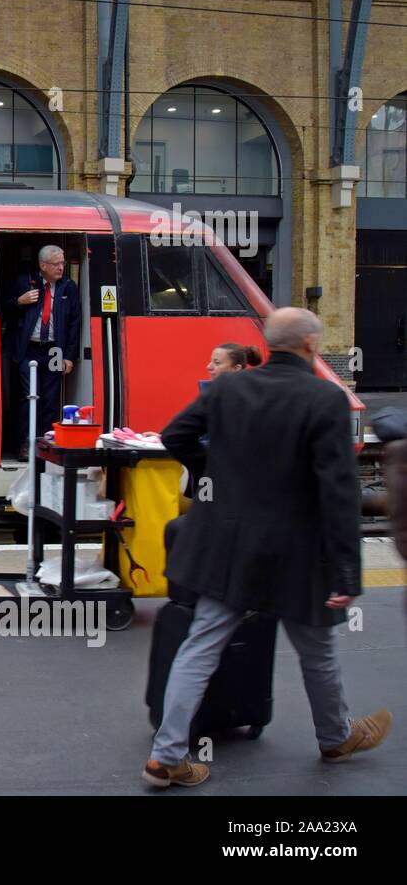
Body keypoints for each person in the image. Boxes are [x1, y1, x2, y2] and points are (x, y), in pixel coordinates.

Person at [143, 307, 391, 789]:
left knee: (200, 645)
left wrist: (213, 476)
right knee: (317, 650)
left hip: (227, 547)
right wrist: (347, 573)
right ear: (311, 346)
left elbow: (175, 435)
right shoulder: (325, 398)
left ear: (270, 343)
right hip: (297, 554)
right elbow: (339, 493)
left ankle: (167, 755)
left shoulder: (229, 387)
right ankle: (336, 738)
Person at [4, 245, 81, 461]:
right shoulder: (24, 281)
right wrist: (19, 301)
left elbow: (75, 323)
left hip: (55, 349)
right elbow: (4, 307)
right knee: (30, 397)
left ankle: (44, 445)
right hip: (29, 348)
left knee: (49, 399)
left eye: (63, 263)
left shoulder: (68, 287)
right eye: (56, 264)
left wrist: (69, 356)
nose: (61, 268)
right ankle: (25, 444)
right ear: (43, 266)